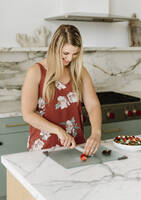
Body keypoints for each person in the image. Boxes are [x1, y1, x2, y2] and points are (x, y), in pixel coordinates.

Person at [21, 24, 102, 156]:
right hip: (44, 148)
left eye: (75, 54)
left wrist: (96, 133)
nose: (70, 59)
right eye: (65, 53)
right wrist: (58, 131)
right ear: (54, 48)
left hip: (75, 145)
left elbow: (93, 105)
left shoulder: (80, 72)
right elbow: (27, 114)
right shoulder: (36, 72)